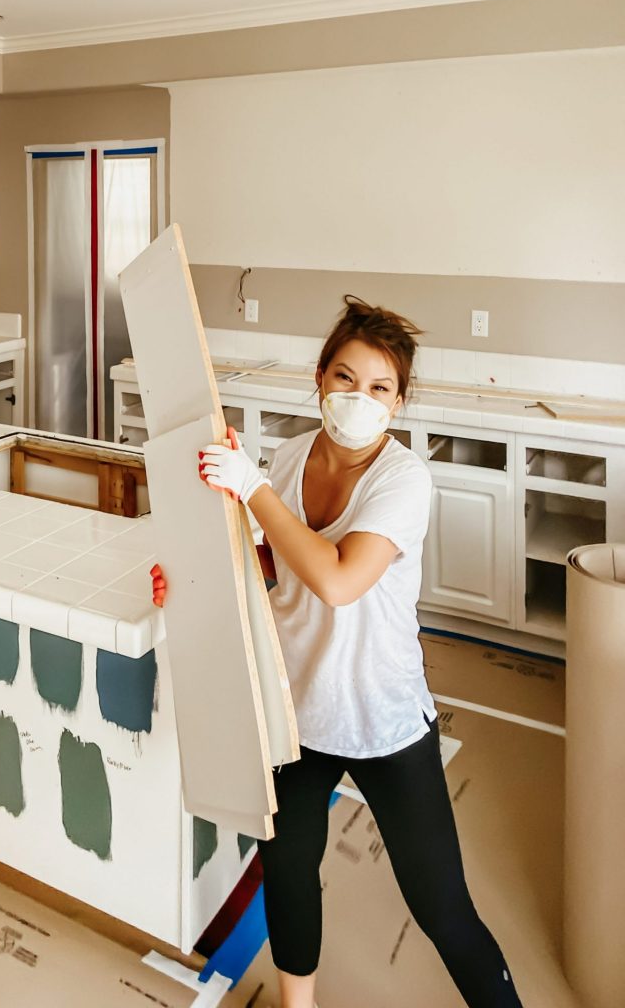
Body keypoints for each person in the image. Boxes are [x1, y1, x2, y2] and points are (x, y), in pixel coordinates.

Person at [150, 297, 522, 1008]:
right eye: (345, 379)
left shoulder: (403, 480)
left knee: (440, 904)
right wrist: (192, 579)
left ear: (401, 402)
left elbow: (338, 580)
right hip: (295, 715)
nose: (359, 399)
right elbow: (270, 568)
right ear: (319, 378)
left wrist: (251, 488)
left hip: (382, 719)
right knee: (288, 873)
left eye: (380, 388)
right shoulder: (290, 459)